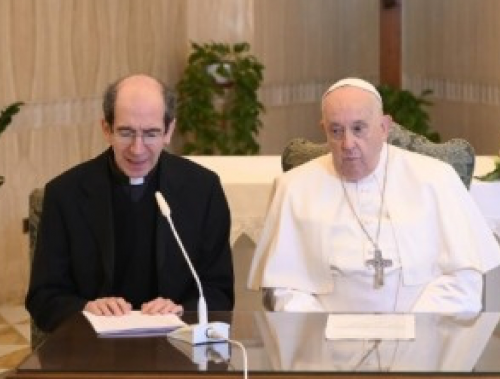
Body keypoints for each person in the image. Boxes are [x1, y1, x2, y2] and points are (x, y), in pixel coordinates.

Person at [248, 77, 500, 313]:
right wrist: (321, 333)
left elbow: (465, 279)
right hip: (324, 339)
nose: (348, 144)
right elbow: (283, 288)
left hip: (424, 336)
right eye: (336, 131)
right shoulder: (294, 187)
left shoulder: (437, 178)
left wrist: (415, 330)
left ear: (384, 127)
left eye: (359, 129)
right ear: (323, 129)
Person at [26, 74, 234, 332]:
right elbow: (43, 297)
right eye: (126, 133)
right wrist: (86, 308)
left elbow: (219, 291)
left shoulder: (203, 189)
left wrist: (182, 310)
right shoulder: (64, 193)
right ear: (106, 129)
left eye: (151, 134)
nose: (137, 149)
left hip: (177, 343)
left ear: (169, 131)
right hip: (93, 346)